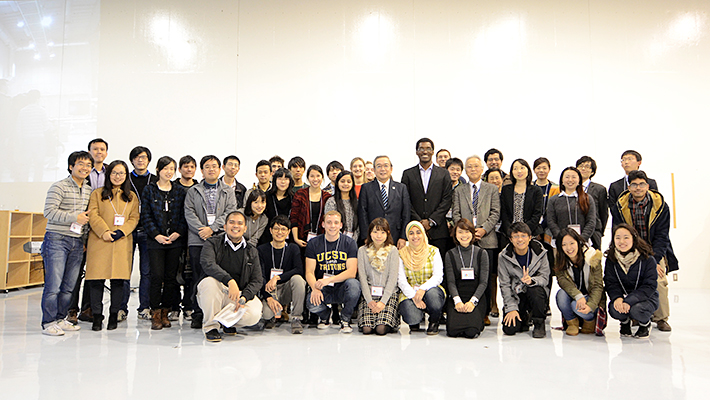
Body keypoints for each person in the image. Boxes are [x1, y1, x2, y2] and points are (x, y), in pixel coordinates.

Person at [610, 170, 677, 332]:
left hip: (654, 250)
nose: (638, 188)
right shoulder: (621, 205)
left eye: (641, 184)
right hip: (629, 250)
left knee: (659, 280)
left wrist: (653, 261)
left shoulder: (660, 206)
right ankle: (633, 314)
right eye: (634, 184)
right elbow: (618, 231)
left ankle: (660, 318)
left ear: (647, 186)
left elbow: (662, 236)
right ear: (629, 186)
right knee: (628, 279)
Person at [40, 151, 94, 335]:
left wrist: (85, 240)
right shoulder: (59, 186)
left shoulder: (88, 189)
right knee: (53, 285)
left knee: (69, 286)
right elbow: (49, 212)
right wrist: (74, 217)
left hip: (78, 241)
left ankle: (61, 319)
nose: (84, 168)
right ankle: (48, 322)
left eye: (88, 165)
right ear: (71, 166)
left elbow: (86, 218)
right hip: (57, 239)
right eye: (80, 164)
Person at [184, 155, 238, 328]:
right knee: (198, 277)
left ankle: (220, 314)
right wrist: (202, 230)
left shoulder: (227, 191)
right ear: (202, 170)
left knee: (218, 277)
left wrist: (212, 229)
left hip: (220, 239)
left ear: (220, 169)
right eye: (207, 167)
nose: (211, 169)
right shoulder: (193, 191)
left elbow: (230, 213)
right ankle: (198, 313)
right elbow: (189, 213)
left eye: (214, 166)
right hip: (197, 240)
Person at [86, 160, 140, 331]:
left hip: (121, 242)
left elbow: (134, 218)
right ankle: (96, 316)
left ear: (126, 176)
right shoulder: (97, 193)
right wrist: (104, 232)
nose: (118, 176)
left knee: (118, 281)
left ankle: (113, 316)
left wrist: (121, 231)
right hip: (99, 240)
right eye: (114, 173)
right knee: (96, 281)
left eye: (122, 173)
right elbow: (93, 214)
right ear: (109, 175)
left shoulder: (131, 196)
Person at [196, 211, 264, 342]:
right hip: (217, 292)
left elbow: (257, 280)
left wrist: (244, 297)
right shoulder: (212, 243)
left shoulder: (252, 251)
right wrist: (230, 281)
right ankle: (211, 327)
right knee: (209, 283)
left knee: (255, 313)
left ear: (245, 228)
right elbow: (208, 264)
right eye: (231, 222)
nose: (235, 226)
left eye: (240, 223)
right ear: (225, 226)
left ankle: (227, 322)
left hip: (237, 296)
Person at [452, 155, 500, 323]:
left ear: (482, 170)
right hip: (465, 239)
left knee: (485, 278)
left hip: (487, 239)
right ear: (465, 170)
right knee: (466, 277)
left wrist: (483, 229)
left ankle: (484, 311)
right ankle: (466, 306)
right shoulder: (459, 190)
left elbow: (495, 212)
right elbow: (456, 214)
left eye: (476, 166)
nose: (473, 169)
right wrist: (468, 232)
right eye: (469, 167)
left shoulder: (491, 189)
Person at [141, 156, 187, 330]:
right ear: (158, 170)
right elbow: (145, 216)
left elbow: (184, 215)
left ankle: (166, 312)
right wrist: (156, 235)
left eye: (172, 169)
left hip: (175, 241)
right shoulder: (149, 190)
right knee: (156, 277)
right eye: (165, 168)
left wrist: (177, 233)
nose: (169, 172)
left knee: (171, 278)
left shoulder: (179, 191)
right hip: (155, 241)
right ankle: (155, 312)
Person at [68, 138, 110, 324]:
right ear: (89, 152)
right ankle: (71, 310)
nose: (98, 152)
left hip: (101, 228)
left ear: (106, 153)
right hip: (82, 225)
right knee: (75, 273)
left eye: (102, 149)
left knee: (94, 273)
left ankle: (88, 308)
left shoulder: (111, 172)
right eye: (95, 149)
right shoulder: (83, 174)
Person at [304, 211, 361, 333]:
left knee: (354, 285)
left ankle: (345, 318)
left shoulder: (349, 243)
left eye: (336, 223)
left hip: (341, 287)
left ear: (341, 225)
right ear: (323, 224)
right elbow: (309, 271)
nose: (332, 226)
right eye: (329, 222)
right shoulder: (313, 243)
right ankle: (325, 316)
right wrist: (315, 288)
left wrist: (329, 279)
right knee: (310, 302)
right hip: (322, 288)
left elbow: (351, 272)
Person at [604, 223, 659, 339]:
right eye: (617, 238)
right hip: (623, 297)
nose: (621, 241)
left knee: (637, 310)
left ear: (634, 238)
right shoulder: (611, 259)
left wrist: (629, 301)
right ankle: (624, 322)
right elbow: (610, 282)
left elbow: (649, 286)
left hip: (646, 298)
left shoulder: (647, 259)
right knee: (614, 309)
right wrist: (617, 298)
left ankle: (645, 324)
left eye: (626, 237)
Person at [401, 138, 453, 256]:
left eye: (428, 149)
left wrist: (431, 221)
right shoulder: (408, 174)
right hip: (414, 230)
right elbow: (405, 200)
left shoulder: (443, 174)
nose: (425, 152)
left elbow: (447, 199)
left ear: (433, 151)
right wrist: (419, 223)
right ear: (416, 152)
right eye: (421, 149)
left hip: (438, 231)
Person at [498, 222, 550, 338]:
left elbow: (545, 278)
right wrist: (511, 308)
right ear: (511, 239)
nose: (520, 239)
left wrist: (531, 280)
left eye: (523, 236)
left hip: (535, 294)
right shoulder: (504, 256)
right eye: (516, 236)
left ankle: (538, 323)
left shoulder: (540, 252)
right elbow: (504, 285)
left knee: (535, 291)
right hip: (517, 296)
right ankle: (524, 318)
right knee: (510, 329)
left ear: (530, 237)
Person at [257, 216, 306, 333]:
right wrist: (267, 296)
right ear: (270, 230)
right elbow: (259, 276)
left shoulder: (293, 248)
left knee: (298, 280)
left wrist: (277, 278)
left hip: (285, 289)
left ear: (288, 232)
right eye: (276, 229)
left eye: (283, 229)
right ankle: (272, 316)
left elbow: (299, 270)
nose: (280, 232)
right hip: (269, 289)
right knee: (267, 314)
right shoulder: (261, 250)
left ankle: (296, 318)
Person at [554, 228, 605, 336]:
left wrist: (590, 305)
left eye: (572, 243)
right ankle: (572, 323)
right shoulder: (560, 260)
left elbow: (598, 286)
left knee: (575, 306)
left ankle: (590, 322)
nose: (569, 248)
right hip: (575, 297)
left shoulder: (593, 257)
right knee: (561, 295)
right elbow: (562, 281)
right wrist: (578, 296)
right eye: (564, 245)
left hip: (591, 299)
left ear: (578, 242)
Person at [126, 146, 157, 321]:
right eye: (137, 157)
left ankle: (144, 307)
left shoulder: (154, 180)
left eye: (144, 157)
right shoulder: (125, 179)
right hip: (127, 231)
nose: (140, 160)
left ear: (149, 161)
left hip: (147, 231)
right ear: (132, 160)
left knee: (146, 272)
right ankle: (122, 308)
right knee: (125, 270)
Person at [398, 221, 445, 335]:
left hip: (429, 289)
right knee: (411, 316)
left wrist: (422, 289)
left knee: (433, 298)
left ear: (423, 234)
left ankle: (434, 320)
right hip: (410, 291)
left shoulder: (433, 251)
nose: (415, 236)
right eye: (411, 233)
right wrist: (414, 296)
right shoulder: (401, 254)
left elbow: (438, 276)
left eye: (418, 232)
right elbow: (401, 280)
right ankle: (416, 320)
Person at [445, 219, 489, 338]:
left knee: (471, 332)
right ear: (455, 234)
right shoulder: (450, 254)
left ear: (472, 233)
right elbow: (451, 282)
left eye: (467, 232)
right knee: (452, 331)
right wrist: (457, 301)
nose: (464, 235)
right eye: (460, 232)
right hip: (458, 295)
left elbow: (484, 282)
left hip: (476, 296)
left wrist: (472, 302)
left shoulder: (482, 253)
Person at [357, 218, 401, 335]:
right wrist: (369, 300)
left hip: (388, 296)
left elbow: (392, 279)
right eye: (375, 232)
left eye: (382, 232)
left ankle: (392, 320)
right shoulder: (362, 251)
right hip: (369, 296)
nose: (378, 236)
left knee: (380, 329)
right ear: (370, 233)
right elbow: (362, 277)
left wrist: (383, 302)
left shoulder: (393, 251)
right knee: (367, 329)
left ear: (388, 234)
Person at [358, 155, 411, 249]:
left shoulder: (401, 188)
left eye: (386, 166)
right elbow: (362, 214)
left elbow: (406, 214)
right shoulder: (366, 188)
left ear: (391, 169)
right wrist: (366, 237)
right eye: (379, 166)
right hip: (373, 237)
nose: (383, 169)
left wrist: (403, 237)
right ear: (374, 170)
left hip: (395, 236)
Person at [171, 155, 199, 321]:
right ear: (180, 169)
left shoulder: (198, 187)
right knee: (175, 272)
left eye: (192, 167)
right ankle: (174, 307)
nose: (189, 169)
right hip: (176, 235)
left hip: (194, 235)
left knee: (190, 273)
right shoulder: (173, 187)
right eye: (186, 166)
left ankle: (188, 306)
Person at [546, 167, 597, 246]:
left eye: (574, 177)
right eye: (567, 177)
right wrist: (562, 239)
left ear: (579, 180)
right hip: (560, 243)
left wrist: (581, 240)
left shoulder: (587, 198)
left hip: (582, 243)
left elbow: (591, 221)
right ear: (562, 180)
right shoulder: (554, 200)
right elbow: (551, 221)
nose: (570, 180)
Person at [499, 159, 544, 244]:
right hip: (508, 235)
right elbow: (504, 214)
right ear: (512, 172)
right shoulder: (506, 190)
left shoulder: (536, 190)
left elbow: (537, 214)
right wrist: (511, 232)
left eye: (522, 168)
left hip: (530, 233)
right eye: (515, 168)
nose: (519, 171)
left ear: (528, 170)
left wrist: (524, 232)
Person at [290, 165, 332, 249]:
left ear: (322, 177)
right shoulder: (300, 194)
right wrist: (296, 239)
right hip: (301, 239)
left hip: (322, 239)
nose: (315, 179)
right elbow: (294, 217)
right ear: (308, 178)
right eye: (312, 176)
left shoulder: (327, 197)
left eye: (318, 176)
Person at [575, 156, 608, 250]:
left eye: (587, 166)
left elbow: (603, 213)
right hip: (575, 228)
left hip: (594, 230)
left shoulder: (599, 189)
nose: (583, 168)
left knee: (594, 261)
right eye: (580, 166)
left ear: (592, 172)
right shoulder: (570, 188)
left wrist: (600, 230)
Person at [262, 168, 294, 245]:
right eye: (280, 178)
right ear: (274, 180)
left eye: (286, 179)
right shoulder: (266, 196)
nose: (283, 182)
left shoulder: (294, 198)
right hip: (268, 237)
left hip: (289, 238)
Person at [324, 170, 359, 240]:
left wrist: (353, 240)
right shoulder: (331, 201)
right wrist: (343, 241)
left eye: (349, 182)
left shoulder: (357, 202)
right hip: (336, 240)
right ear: (337, 183)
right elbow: (330, 223)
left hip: (355, 242)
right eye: (342, 181)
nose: (345, 184)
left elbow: (359, 226)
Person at [532, 157, 560, 244]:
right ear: (534, 170)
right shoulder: (529, 187)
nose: (541, 171)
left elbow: (554, 210)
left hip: (549, 226)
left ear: (549, 169)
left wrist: (542, 227)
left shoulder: (556, 188)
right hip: (532, 227)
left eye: (544, 168)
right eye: (538, 168)